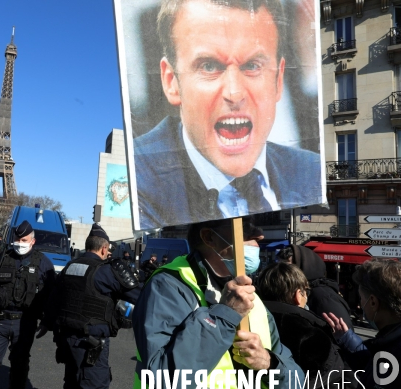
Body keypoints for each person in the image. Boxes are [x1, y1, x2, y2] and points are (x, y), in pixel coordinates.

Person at [133, 0, 321, 229]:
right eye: (209, 66)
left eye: (252, 65)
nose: (234, 93)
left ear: (278, 80)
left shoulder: (313, 174)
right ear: (171, 81)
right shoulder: (134, 180)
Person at [132, 219, 304, 389]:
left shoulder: (252, 298)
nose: (259, 235)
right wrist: (225, 315)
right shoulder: (168, 286)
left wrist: (270, 363)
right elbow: (164, 381)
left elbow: (297, 387)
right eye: (244, 226)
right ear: (209, 237)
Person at [39, 224, 142, 389]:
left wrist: (46, 323)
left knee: (71, 387)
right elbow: (140, 296)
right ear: (104, 248)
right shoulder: (105, 271)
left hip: (66, 339)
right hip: (91, 344)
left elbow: (54, 298)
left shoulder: (70, 266)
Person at [0, 221, 56, 389]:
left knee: (19, 366)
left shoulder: (44, 263)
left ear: (33, 241)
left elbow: (51, 296)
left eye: (24, 239)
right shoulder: (1, 258)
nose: (19, 242)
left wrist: (48, 321)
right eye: (17, 238)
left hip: (25, 323)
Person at [256, 262, 356, 389]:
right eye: (307, 291)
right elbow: (334, 381)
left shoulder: (250, 322)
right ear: (298, 295)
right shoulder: (309, 332)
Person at [323, 259, 401, 389]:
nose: (359, 305)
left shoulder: (395, 353)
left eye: (361, 298)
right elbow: (373, 364)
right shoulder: (390, 341)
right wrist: (347, 339)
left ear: (373, 302)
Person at [278, 244, 354, 330]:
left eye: (288, 268)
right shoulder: (294, 291)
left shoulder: (323, 297)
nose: (281, 272)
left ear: (304, 267)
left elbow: (344, 335)